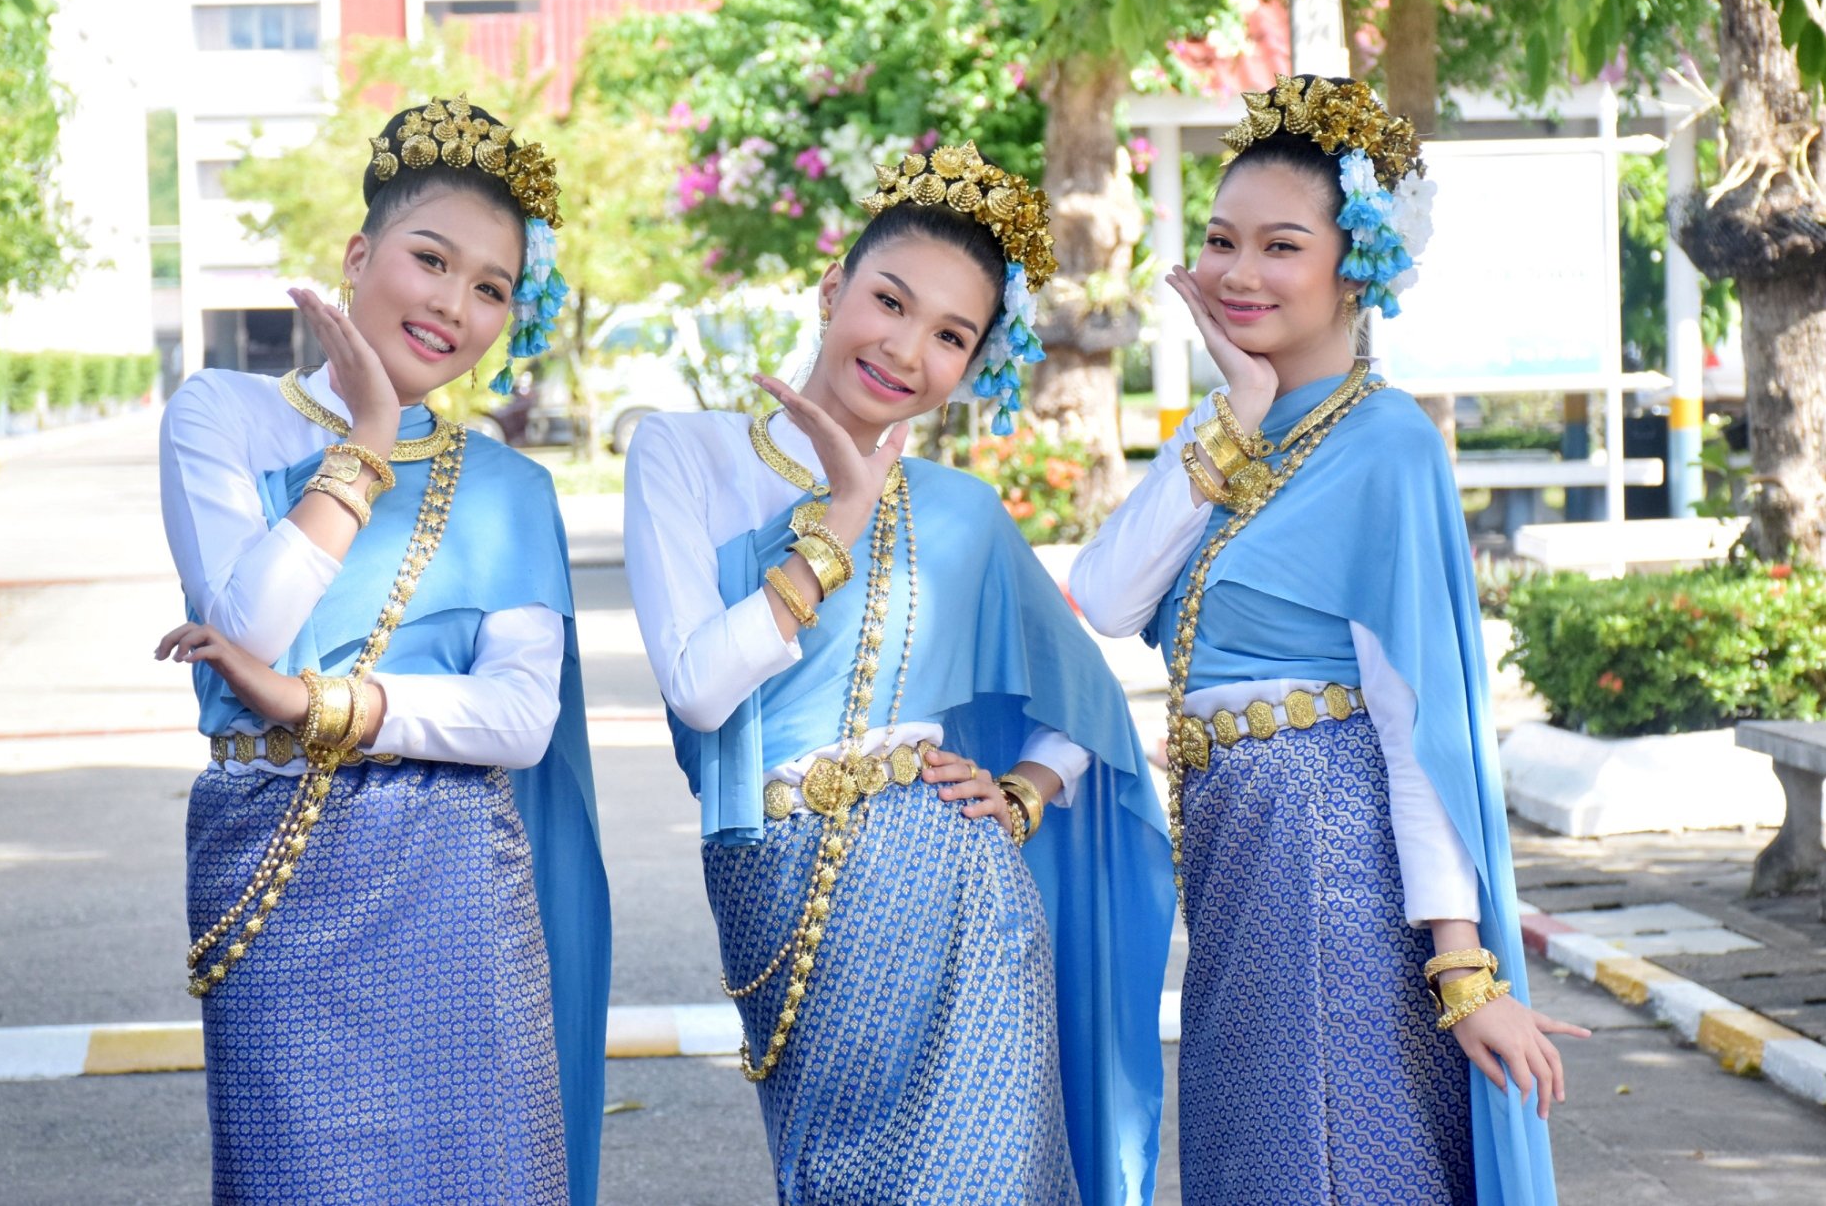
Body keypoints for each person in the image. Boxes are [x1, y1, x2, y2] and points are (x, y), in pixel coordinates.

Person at [1069, 76, 1589, 1206]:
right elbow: (1104, 598)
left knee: (1328, 1162)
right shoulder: (1228, 435)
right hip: (1238, 860)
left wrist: (1461, 967)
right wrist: (1233, 408)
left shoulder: (1388, 445)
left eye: (1278, 245)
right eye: (1217, 240)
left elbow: (1418, 729)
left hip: (1330, 862)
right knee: (1256, 1160)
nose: (1236, 272)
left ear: (1356, 263)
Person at [624, 142, 1176, 1205]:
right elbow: (698, 687)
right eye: (889, 300)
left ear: (971, 365)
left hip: (967, 900)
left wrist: (1023, 792)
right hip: (778, 883)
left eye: (950, 335)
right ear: (833, 287)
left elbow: (1088, 702)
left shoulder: (961, 514)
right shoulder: (682, 453)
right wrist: (836, 523)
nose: (906, 348)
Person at [155, 94, 608, 1203]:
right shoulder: (222, 415)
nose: (454, 305)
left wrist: (324, 707)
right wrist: (365, 441)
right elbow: (247, 625)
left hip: (453, 875)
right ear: (361, 253)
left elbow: (517, 717)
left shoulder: (509, 487)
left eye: (491, 288)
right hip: (275, 868)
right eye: (431, 259)